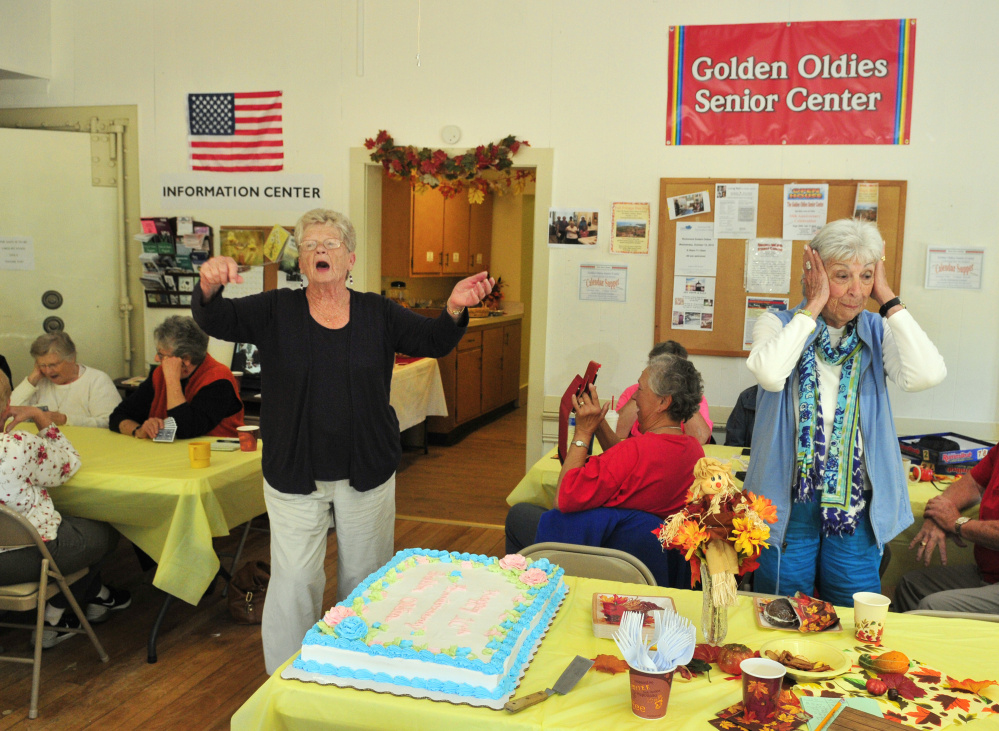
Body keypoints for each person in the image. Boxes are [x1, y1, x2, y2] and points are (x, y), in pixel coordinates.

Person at [191, 208, 493, 674]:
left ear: (350, 258)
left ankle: (357, 673)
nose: (319, 252)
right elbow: (219, 318)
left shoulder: (378, 312)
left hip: (366, 467)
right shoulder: (276, 310)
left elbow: (434, 338)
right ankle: (288, 680)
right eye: (310, 245)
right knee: (294, 582)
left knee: (366, 581)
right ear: (301, 260)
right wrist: (208, 284)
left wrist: (454, 306)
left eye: (330, 244)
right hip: (295, 469)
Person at [743, 219, 946, 607]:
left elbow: (927, 374)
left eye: (866, 276)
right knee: (782, 607)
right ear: (813, 273)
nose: (856, 291)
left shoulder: (875, 329)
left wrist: (887, 297)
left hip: (854, 502)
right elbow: (769, 375)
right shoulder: (780, 323)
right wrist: (815, 304)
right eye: (841, 276)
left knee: (853, 612)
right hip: (787, 500)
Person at [506, 354, 705, 552]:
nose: (634, 395)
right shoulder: (694, 451)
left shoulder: (634, 451)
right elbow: (628, 464)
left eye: (641, 389)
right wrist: (598, 423)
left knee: (519, 515)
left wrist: (583, 432)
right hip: (653, 552)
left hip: (606, 551)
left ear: (663, 402)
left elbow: (563, 497)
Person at [0, 372, 130, 648]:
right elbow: (68, 464)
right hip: (24, 557)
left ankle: (97, 594)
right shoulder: (17, 446)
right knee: (106, 530)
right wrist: (40, 417)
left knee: (72, 531)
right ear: (8, 402)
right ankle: (52, 620)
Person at [895, 443, 999, 613]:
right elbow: (972, 483)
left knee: (931, 605)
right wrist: (938, 515)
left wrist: (956, 523)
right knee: (910, 586)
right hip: (987, 574)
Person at [108, 316, 244, 440]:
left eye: (161, 354)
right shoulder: (159, 374)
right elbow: (118, 417)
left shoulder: (219, 380)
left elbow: (186, 430)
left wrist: (172, 381)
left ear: (185, 359)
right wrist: (139, 430)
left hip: (215, 459)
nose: (156, 359)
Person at [9, 332, 121, 429]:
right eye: (42, 365)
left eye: (53, 365)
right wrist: (32, 379)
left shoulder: (97, 380)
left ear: (72, 358)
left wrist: (65, 420)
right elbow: (9, 414)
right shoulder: (39, 382)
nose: (47, 371)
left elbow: (110, 422)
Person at [609, 341, 713, 446]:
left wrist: (684, 395)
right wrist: (643, 389)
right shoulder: (632, 392)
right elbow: (616, 433)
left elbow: (700, 438)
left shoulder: (693, 396)